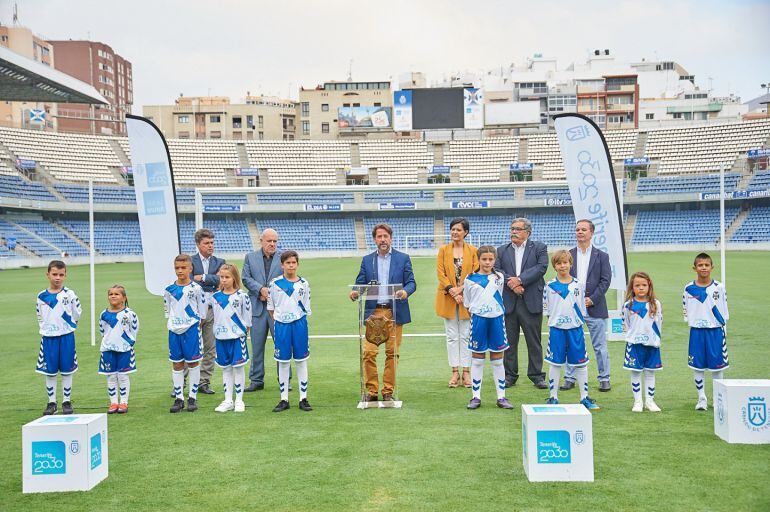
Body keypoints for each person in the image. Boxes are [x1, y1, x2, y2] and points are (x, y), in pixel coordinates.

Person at [349, 223, 416, 402]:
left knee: (392, 353)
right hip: (374, 313)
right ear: (374, 239)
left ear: (391, 238)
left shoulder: (403, 258)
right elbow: (360, 282)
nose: (383, 240)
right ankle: (371, 391)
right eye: (379, 237)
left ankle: (388, 391)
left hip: (395, 311)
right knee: (369, 352)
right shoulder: (367, 260)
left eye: (385, 236)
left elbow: (411, 282)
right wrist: (356, 291)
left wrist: (405, 292)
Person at [494, 218, 548, 389]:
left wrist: (520, 281)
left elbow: (541, 268)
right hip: (509, 301)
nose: (513, 232)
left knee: (534, 340)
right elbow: (497, 269)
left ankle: (536, 375)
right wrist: (513, 283)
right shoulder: (502, 250)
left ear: (527, 232)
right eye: (512, 228)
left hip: (531, 299)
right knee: (509, 341)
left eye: (517, 229)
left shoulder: (539, 247)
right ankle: (510, 375)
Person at [543, 250, 600, 411]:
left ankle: (584, 397)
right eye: (559, 263)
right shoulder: (549, 285)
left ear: (570, 264)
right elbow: (546, 308)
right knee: (555, 363)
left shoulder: (578, 285)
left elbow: (581, 308)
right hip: (557, 330)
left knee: (581, 364)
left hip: (575, 330)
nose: (562, 266)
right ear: (554, 266)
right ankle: (553, 397)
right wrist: (554, 322)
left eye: (565, 262)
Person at [561, 219, 613, 392]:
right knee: (571, 344)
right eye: (577, 229)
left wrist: (592, 299)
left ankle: (604, 378)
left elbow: (605, 281)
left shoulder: (602, 256)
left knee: (599, 346)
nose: (580, 232)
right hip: (573, 308)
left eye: (583, 229)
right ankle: (569, 378)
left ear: (591, 232)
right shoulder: (568, 255)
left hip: (595, 307)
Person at [463, 246, 513, 410]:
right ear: (478, 259)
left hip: (497, 320)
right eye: (484, 259)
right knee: (477, 359)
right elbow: (467, 303)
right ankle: (476, 397)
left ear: (495, 260)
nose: (487, 262)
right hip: (478, 321)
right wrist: (478, 314)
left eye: (490, 259)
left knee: (498, 360)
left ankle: (501, 397)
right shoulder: (470, 279)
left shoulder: (499, 278)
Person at [683, 252, 729, 411]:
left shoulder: (719, 287)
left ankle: (717, 400)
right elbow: (686, 310)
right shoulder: (688, 288)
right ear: (694, 268)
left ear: (712, 267)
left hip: (715, 332)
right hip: (696, 332)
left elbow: (724, 310)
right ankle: (701, 398)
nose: (703, 268)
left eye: (706, 265)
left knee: (718, 367)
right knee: (698, 367)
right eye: (700, 265)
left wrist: (723, 328)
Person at [268, 251, 313, 412]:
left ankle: (303, 398)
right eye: (288, 263)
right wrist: (282, 319)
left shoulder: (304, 284)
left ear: (297, 264)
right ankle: (284, 399)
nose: (291, 266)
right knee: (283, 362)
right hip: (281, 326)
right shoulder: (274, 284)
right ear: (282, 265)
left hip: (299, 325)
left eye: (293, 263)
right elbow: (271, 308)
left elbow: (306, 307)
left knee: (301, 361)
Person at [435, 217, 478, 388]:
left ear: (465, 232)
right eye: (453, 229)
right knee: (452, 336)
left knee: (466, 335)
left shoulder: (473, 250)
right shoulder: (444, 250)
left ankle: (466, 372)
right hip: (448, 296)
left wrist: (461, 290)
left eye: (458, 230)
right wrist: (452, 290)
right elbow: (440, 273)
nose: (455, 232)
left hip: (466, 297)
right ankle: (454, 372)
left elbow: (475, 272)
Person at [36, 260, 81, 415]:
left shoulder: (70, 294)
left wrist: (69, 326)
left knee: (67, 370)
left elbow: (77, 313)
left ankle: (66, 401)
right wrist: (47, 328)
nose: (57, 278)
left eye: (61, 275)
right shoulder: (41, 297)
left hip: (67, 337)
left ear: (65, 275)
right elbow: (40, 316)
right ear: (47, 274)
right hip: (49, 338)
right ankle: (52, 402)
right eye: (54, 274)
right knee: (50, 371)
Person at [164, 254, 207, 413]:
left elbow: (202, 314)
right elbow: (168, 311)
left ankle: (192, 397)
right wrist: (174, 324)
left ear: (190, 269)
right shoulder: (169, 289)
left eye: (183, 268)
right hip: (174, 331)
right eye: (177, 268)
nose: (180, 271)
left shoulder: (196, 289)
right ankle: (179, 397)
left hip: (191, 330)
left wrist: (192, 325)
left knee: (193, 362)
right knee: (176, 363)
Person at [242, 228, 284, 392]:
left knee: (281, 345)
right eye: (269, 241)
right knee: (257, 346)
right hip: (257, 309)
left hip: (278, 310)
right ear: (261, 241)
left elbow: (287, 277)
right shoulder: (250, 257)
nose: (272, 244)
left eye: (275, 241)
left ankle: (284, 378)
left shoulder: (283, 258)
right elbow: (245, 278)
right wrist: (260, 290)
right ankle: (256, 380)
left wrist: (271, 293)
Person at [211, 264, 251, 413]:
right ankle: (228, 400)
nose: (224, 280)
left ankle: (239, 400)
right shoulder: (215, 297)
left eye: (227, 277)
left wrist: (244, 332)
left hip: (236, 338)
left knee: (238, 368)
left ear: (234, 278)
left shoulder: (242, 296)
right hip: (221, 338)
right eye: (222, 277)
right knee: (226, 369)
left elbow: (247, 319)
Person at [191, 228, 225, 395]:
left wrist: (202, 277)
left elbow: (221, 280)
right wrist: (211, 279)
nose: (210, 246)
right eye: (206, 243)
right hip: (193, 310)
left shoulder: (220, 261)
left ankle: (204, 382)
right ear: (198, 244)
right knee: (190, 347)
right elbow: (189, 281)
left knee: (210, 347)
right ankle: (183, 381)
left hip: (212, 309)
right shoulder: (189, 262)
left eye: (212, 242)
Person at [622, 272, 662, 413]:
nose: (641, 288)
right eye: (637, 285)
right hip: (634, 345)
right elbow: (626, 324)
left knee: (650, 373)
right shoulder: (628, 305)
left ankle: (649, 401)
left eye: (644, 285)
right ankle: (638, 401)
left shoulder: (655, 304)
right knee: (636, 373)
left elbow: (659, 323)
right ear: (632, 287)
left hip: (651, 345)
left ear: (649, 286)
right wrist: (632, 337)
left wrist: (656, 340)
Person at [98, 285, 139, 414]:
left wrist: (128, 343)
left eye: (117, 294)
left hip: (124, 349)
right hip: (108, 349)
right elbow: (102, 331)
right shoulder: (104, 314)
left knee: (122, 376)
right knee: (110, 376)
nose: (113, 296)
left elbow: (134, 329)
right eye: (111, 294)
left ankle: (124, 402)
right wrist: (109, 342)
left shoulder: (129, 314)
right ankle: (113, 402)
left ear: (124, 297)